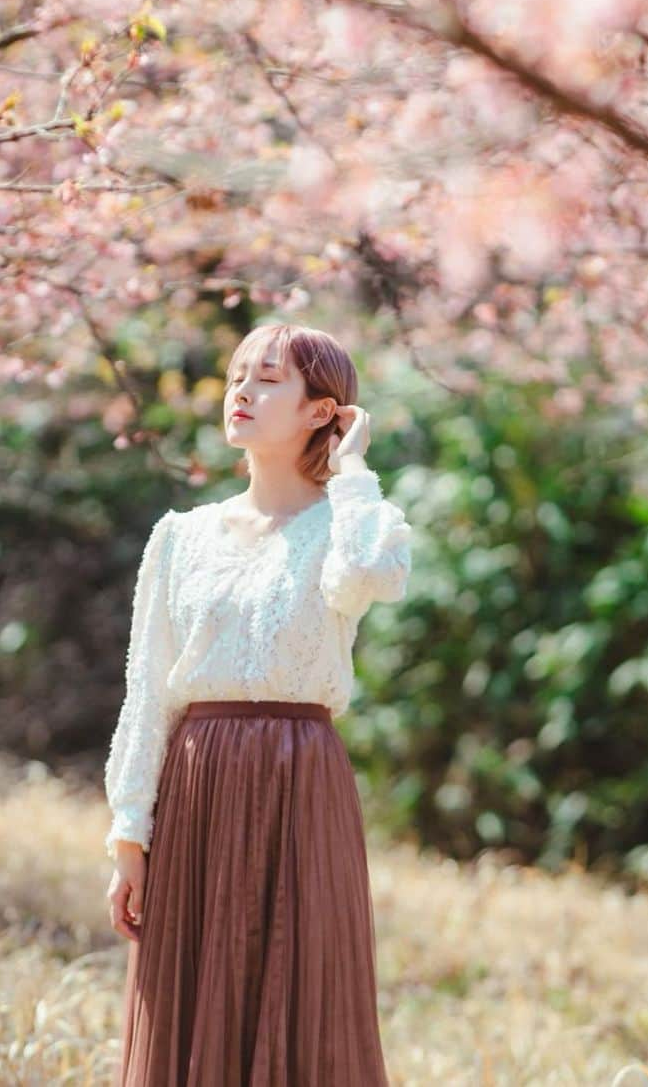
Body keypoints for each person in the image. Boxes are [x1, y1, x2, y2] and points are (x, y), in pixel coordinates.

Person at [104, 320, 413, 1086]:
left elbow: (367, 576)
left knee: (306, 998)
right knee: (188, 1008)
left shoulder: (356, 521)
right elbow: (148, 691)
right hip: (197, 784)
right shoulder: (181, 537)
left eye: (270, 378)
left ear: (321, 410)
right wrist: (128, 837)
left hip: (300, 781)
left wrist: (352, 472)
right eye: (240, 372)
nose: (242, 389)